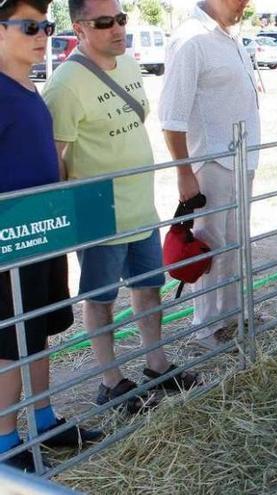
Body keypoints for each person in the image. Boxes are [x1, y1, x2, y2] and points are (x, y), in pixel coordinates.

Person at [43, 0, 199, 414]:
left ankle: (157, 365)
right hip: (99, 215)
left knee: (149, 289)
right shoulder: (65, 84)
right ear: (79, 28)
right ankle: (110, 382)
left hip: (140, 208)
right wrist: (69, 217)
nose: (118, 29)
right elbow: (54, 159)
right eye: (105, 22)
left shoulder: (128, 65)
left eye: (121, 19)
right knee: (101, 300)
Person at [0, 0, 101, 471]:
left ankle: (45, 420)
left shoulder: (26, 87)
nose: (42, 34)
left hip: (42, 233)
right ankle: (4, 443)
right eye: (29, 26)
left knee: (37, 335)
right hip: (10, 244)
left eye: (47, 25)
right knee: (8, 348)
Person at [159, 0, 260, 351]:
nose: (246, 3)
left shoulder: (229, 36)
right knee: (209, 243)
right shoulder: (190, 40)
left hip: (241, 156)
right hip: (211, 160)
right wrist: (184, 172)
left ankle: (230, 314)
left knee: (235, 241)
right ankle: (204, 326)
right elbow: (172, 117)